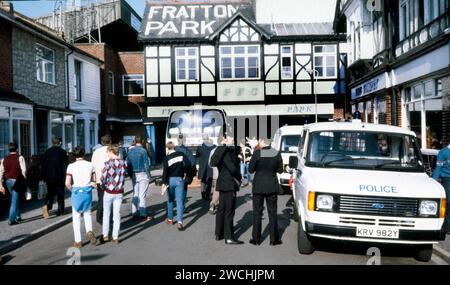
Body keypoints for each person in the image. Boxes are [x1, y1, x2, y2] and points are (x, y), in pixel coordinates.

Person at [248, 138, 283, 246]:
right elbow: (280, 170)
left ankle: (256, 239)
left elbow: (250, 169)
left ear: (262, 142)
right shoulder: (276, 153)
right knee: (272, 213)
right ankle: (274, 240)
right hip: (272, 186)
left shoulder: (257, 153)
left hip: (258, 186)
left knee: (257, 213)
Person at [210, 136, 243, 245]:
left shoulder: (224, 150)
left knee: (221, 210)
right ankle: (228, 237)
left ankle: (218, 233)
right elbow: (232, 168)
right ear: (225, 139)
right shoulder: (225, 152)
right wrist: (239, 176)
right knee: (229, 211)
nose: (233, 140)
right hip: (229, 184)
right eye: (230, 138)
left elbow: (237, 150)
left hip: (222, 183)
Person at [65, 147, 97, 248]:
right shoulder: (90, 165)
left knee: (76, 217)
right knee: (87, 213)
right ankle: (89, 231)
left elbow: (67, 183)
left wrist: (73, 190)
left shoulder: (71, 166)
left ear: (74, 155)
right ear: (83, 154)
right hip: (87, 191)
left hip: (76, 192)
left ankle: (78, 241)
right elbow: (94, 180)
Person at [100, 145, 127, 244]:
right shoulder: (123, 163)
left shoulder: (107, 164)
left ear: (111, 151)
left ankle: (105, 235)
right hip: (119, 192)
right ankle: (115, 237)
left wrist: (103, 186)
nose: (107, 154)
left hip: (108, 192)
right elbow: (124, 176)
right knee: (117, 214)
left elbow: (102, 178)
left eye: (108, 152)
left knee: (106, 214)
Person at [161, 142, 191, 231]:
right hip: (179, 180)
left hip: (170, 180)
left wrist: (163, 182)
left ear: (167, 148)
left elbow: (165, 171)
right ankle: (180, 222)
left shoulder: (166, 158)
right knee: (179, 201)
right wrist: (184, 172)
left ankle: (170, 219)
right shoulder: (181, 154)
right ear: (174, 147)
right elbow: (188, 164)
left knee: (170, 200)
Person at [0, 143, 27, 225]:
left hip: (8, 181)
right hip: (17, 181)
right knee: (14, 200)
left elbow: (1, 172)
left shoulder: (4, 159)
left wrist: (0, 185)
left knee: (15, 198)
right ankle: (11, 220)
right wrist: (24, 180)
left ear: (9, 150)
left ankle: (18, 216)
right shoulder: (20, 157)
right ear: (17, 149)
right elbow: (24, 170)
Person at [41, 137, 68, 218]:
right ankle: (60, 210)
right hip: (59, 177)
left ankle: (47, 206)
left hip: (49, 177)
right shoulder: (63, 152)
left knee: (50, 193)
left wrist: (44, 176)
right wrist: (66, 177)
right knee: (60, 194)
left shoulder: (47, 152)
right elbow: (64, 166)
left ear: (52, 142)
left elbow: (44, 165)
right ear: (60, 142)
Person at [127, 135, 152, 221]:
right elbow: (146, 164)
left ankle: (134, 212)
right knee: (142, 194)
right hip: (143, 173)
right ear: (142, 141)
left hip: (134, 173)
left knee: (135, 193)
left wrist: (130, 174)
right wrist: (149, 175)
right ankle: (143, 213)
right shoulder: (143, 151)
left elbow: (128, 164)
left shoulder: (130, 151)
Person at [91, 134, 112, 224]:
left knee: (101, 198)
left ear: (101, 142)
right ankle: (108, 218)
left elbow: (93, 167)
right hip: (111, 180)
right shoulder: (112, 151)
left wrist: (94, 180)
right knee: (110, 199)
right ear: (110, 141)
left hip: (99, 179)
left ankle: (99, 217)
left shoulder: (96, 152)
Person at [432, 142, 450, 234]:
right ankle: (447, 227)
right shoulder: (443, 152)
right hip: (447, 179)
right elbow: (438, 168)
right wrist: (433, 182)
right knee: (449, 202)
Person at [175, 134, 196, 213]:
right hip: (184, 174)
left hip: (174, 174)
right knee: (183, 191)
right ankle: (182, 207)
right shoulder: (187, 150)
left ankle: (174, 208)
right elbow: (192, 162)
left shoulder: (174, 149)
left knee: (175, 191)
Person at [195, 135, 216, 201]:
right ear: (208, 139)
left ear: (203, 139)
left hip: (203, 166)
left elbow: (197, 156)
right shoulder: (213, 146)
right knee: (209, 180)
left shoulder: (200, 147)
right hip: (210, 165)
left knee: (203, 180)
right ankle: (207, 194)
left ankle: (203, 193)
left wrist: (197, 164)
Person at [208, 146, 220, 215]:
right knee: (220, 190)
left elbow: (209, 164)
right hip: (223, 174)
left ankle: (214, 204)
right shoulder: (225, 150)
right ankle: (214, 203)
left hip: (215, 174)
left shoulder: (212, 150)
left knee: (216, 189)